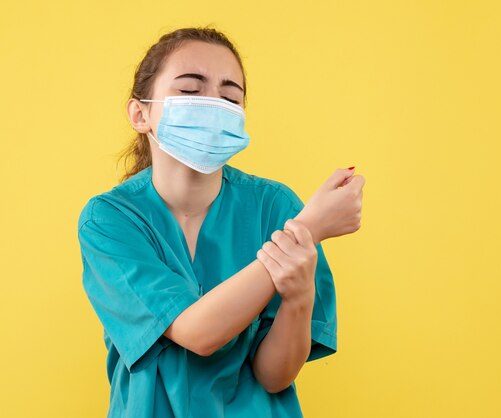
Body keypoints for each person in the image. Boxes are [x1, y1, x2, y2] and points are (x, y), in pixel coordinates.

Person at [77, 26, 365, 418]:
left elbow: (274, 376)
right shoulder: (110, 220)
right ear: (140, 113)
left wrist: (298, 298)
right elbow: (199, 333)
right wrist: (308, 231)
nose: (213, 105)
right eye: (191, 91)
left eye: (230, 97)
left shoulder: (273, 206)